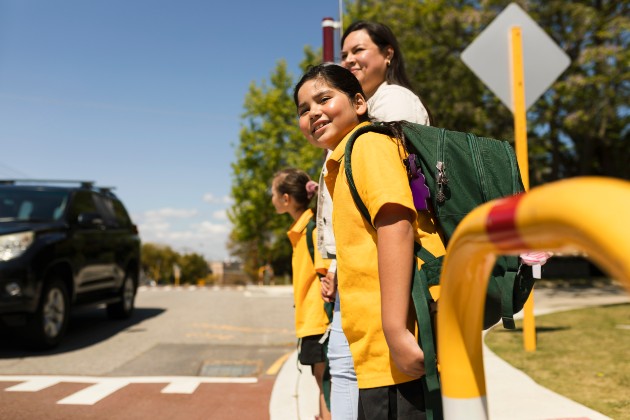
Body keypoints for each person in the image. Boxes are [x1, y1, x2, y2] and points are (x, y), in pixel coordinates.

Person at [295, 63, 447, 419]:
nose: (314, 112)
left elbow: (397, 226)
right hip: (377, 357)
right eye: (304, 110)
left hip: (394, 350)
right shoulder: (344, 160)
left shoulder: (367, 145)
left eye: (324, 98)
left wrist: (396, 332)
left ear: (359, 103)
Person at [316, 20, 433, 419]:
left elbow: (394, 217)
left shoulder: (387, 112)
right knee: (349, 373)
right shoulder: (354, 126)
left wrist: (396, 328)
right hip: (361, 282)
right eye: (344, 53)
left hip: (388, 287)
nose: (348, 58)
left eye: (359, 50)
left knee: (369, 384)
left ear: (388, 54)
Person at [270, 168, 331, 420]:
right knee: (322, 381)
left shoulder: (312, 230)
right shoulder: (302, 230)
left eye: (273, 193)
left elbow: (328, 273)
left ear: (286, 199)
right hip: (312, 321)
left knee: (326, 383)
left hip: (320, 322)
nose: (271, 198)